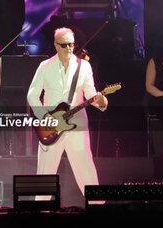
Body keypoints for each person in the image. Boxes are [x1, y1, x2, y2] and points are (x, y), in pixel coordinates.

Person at [27, 27, 108, 200]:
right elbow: (32, 95)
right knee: (45, 171)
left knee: (85, 167)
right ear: (56, 45)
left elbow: (90, 94)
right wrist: (45, 116)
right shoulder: (45, 66)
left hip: (77, 123)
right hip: (51, 124)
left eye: (71, 44)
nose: (69, 48)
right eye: (64, 45)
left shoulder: (84, 66)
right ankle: (39, 210)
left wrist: (100, 101)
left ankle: (97, 206)